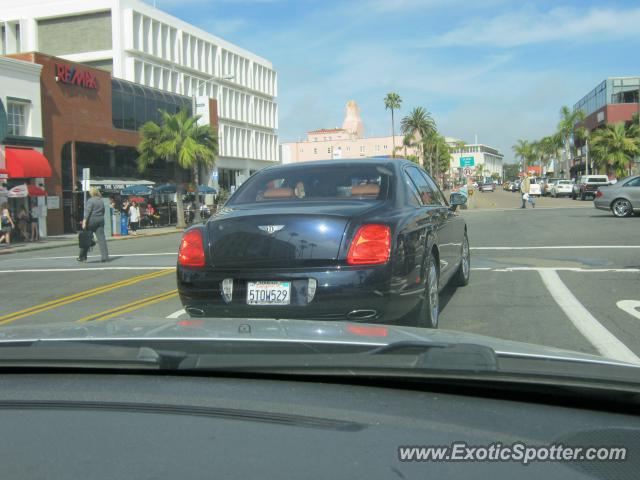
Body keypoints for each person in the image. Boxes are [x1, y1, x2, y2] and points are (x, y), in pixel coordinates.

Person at [78, 187, 109, 262]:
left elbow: (87, 212)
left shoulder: (90, 201)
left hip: (91, 220)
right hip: (100, 220)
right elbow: (103, 211)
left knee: (86, 238)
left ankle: (82, 257)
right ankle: (105, 257)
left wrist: (84, 222)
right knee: (102, 239)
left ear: (91, 193)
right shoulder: (101, 201)